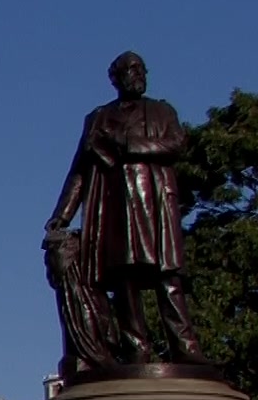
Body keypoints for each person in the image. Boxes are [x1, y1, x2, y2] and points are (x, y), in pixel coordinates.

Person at [45, 51, 204, 366]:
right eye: (131, 70)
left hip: (155, 203)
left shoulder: (161, 111)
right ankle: (136, 349)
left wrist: (130, 146)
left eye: (141, 69)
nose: (138, 75)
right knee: (125, 281)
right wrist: (61, 216)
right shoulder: (98, 119)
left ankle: (185, 347)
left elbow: (176, 144)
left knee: (167, 278)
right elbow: (80, 172)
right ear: (116, 78)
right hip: (115, 208)